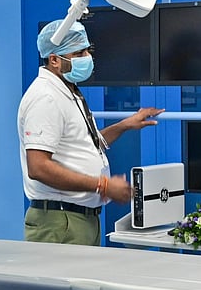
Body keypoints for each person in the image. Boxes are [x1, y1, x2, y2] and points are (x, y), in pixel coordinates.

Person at [18, 19, 164, 246]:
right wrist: (103, 185)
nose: (87, 57)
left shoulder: (67, 91)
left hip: (79, 218)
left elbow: (84, 143)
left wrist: (125, 125)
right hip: (60, 222)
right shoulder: (46, 97)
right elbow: (38, 167)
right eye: (78, 53)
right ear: (54, 60)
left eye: (87, 50)